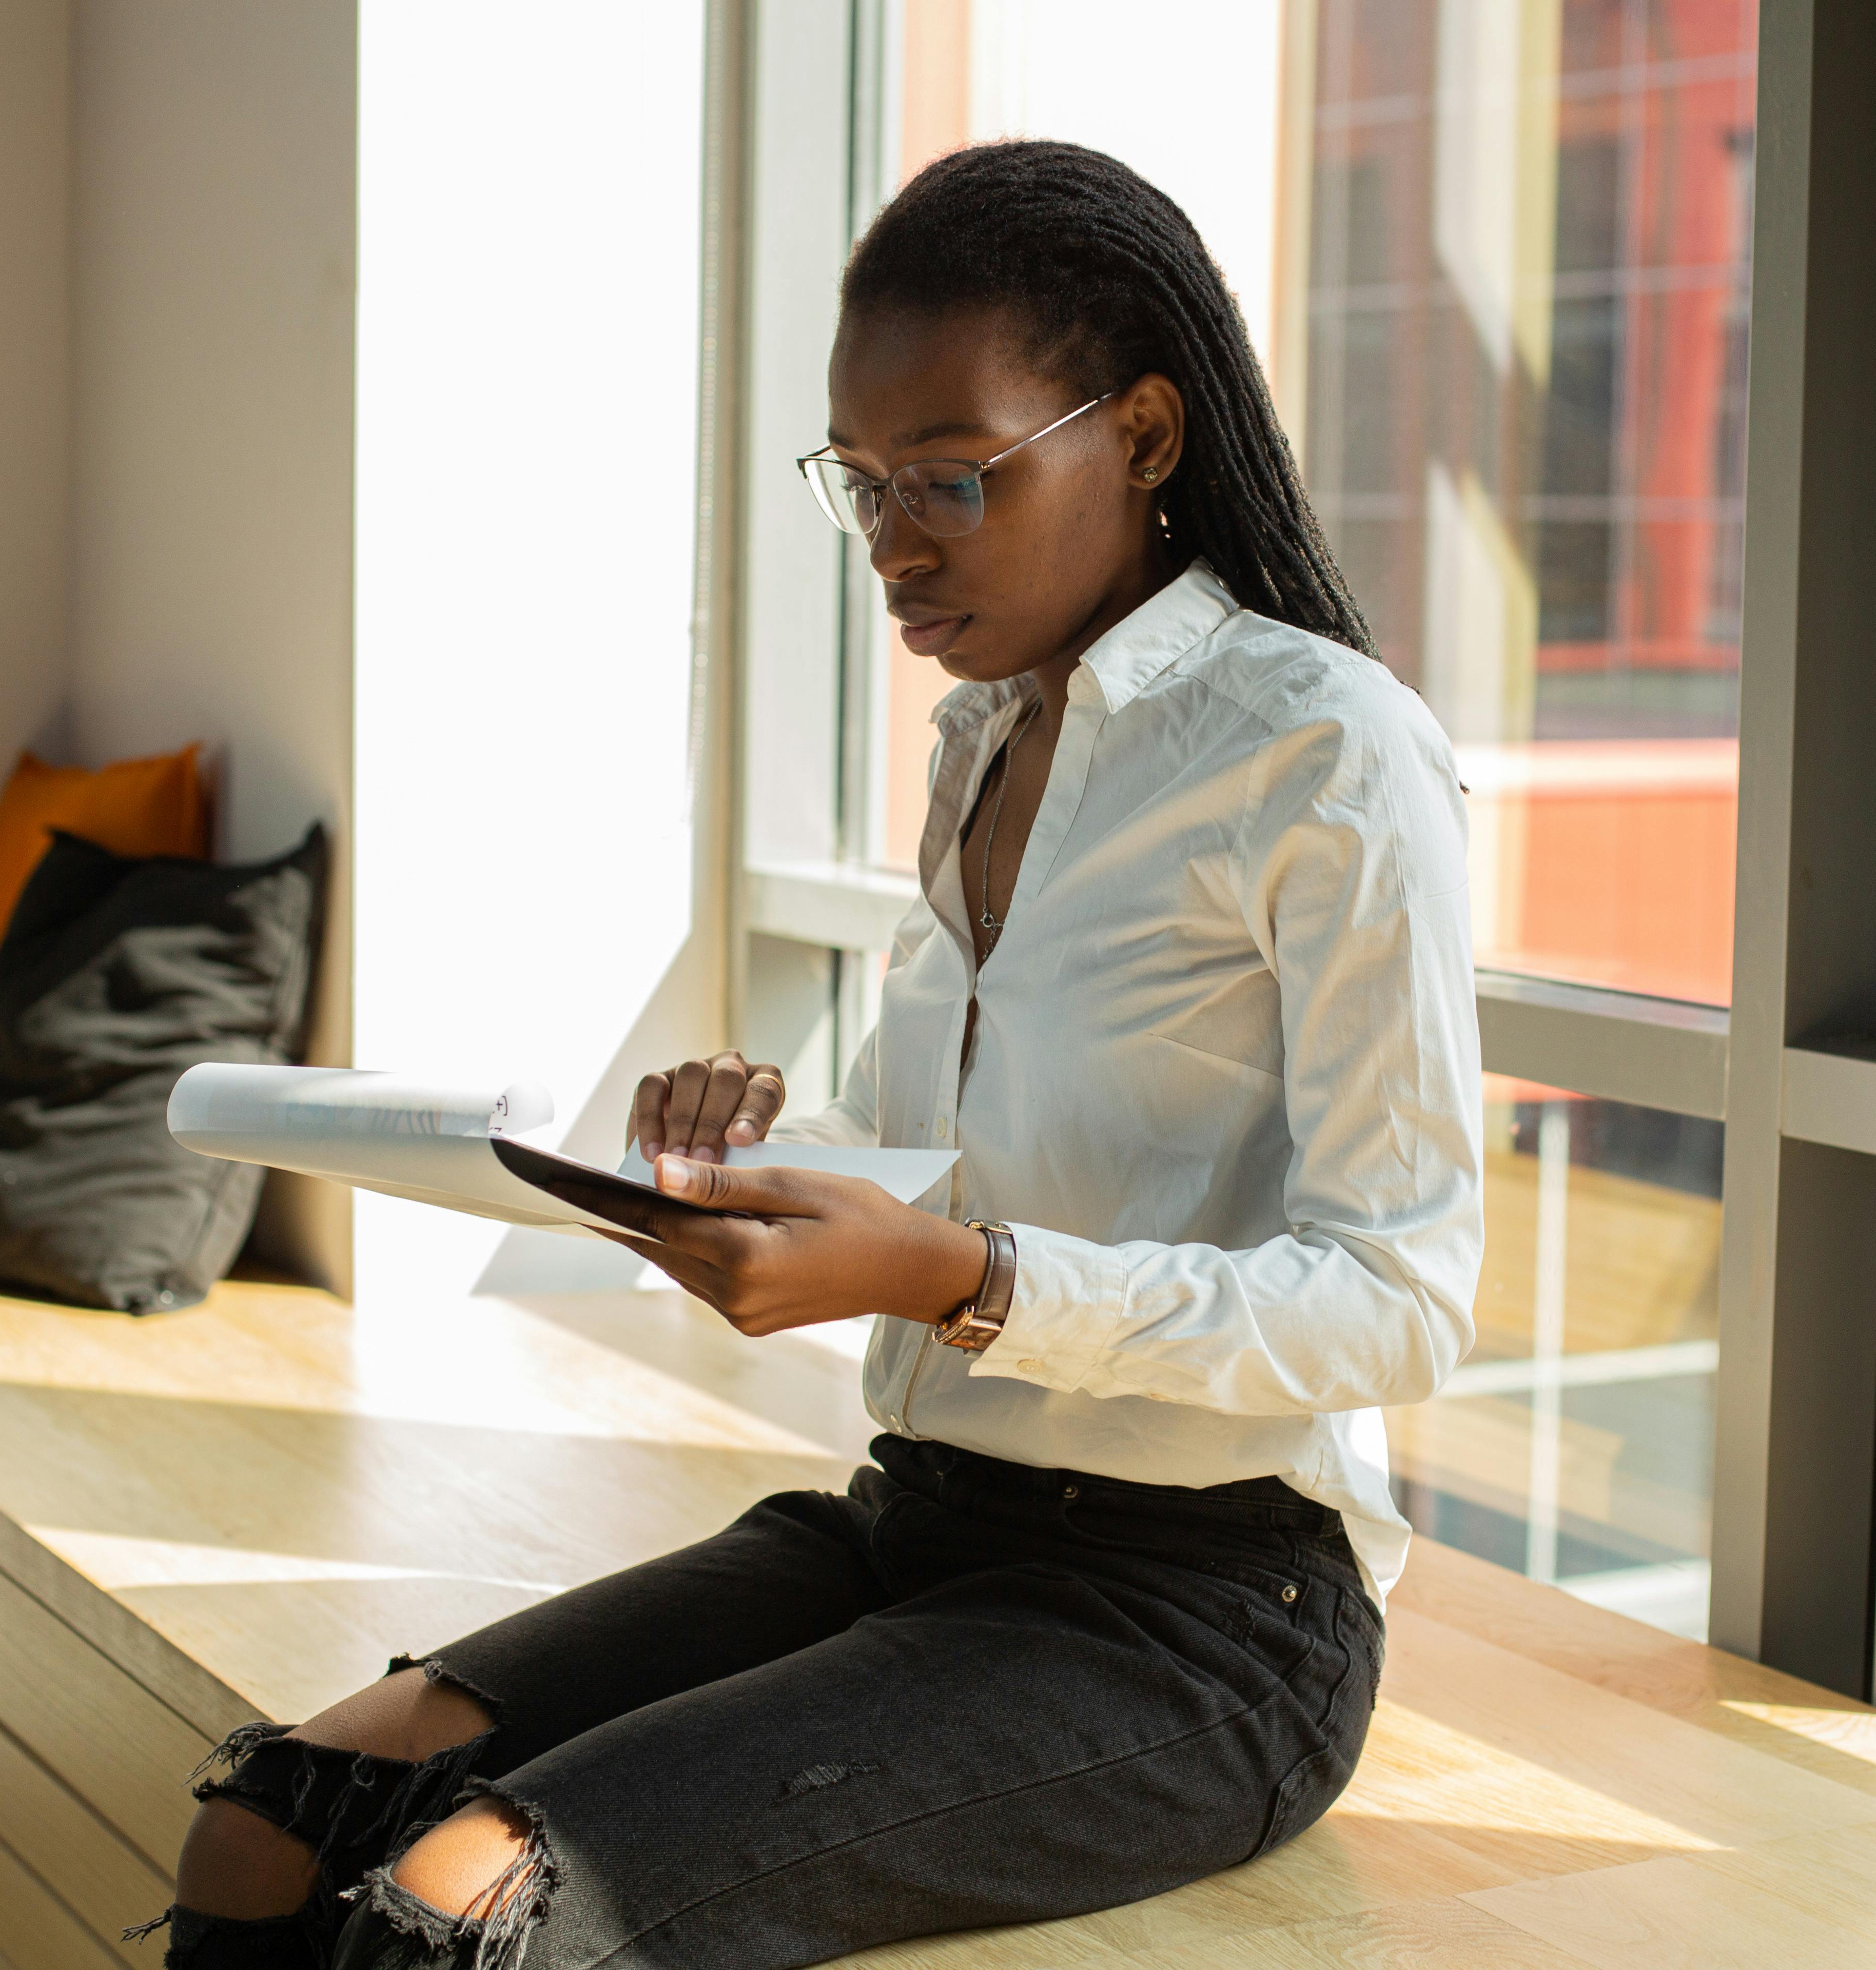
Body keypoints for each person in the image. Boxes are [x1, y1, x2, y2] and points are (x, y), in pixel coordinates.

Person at [149, 138, 1482, 1970]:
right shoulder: (983, 741)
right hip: (913, 1525)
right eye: (860, 485)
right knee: (272, 1821)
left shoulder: (1329, 752)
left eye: (950, 477)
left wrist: (963, 1279)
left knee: (464, 1913)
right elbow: (943, 1150)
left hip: (1197, 1614)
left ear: (1149, 437)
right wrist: (750, 1164)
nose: (894, 542)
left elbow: (1397, 1301)